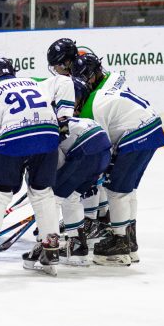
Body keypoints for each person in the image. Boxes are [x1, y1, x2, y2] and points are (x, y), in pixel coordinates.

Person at [74, 53, 164, 266]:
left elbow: (101, 147)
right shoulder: (111, 77)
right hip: (152, 128)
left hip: (134, 136)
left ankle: (119, 244)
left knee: (116, 189)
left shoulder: (94, 106)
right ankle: (129, 241)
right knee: (127, 190)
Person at [0, 58, 60, 277]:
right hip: (49, 134)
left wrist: (0, 167)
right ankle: (51, 247)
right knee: (42, 192)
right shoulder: (32, 83)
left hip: (14, 137)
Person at [45, 78, 112, 267]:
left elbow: (55, 164)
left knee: (55, 197)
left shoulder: (47, 128)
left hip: (87, 150)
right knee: (71, 195)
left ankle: (48, 243)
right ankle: (78, 247)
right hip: (103, 149)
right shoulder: (63, 120)